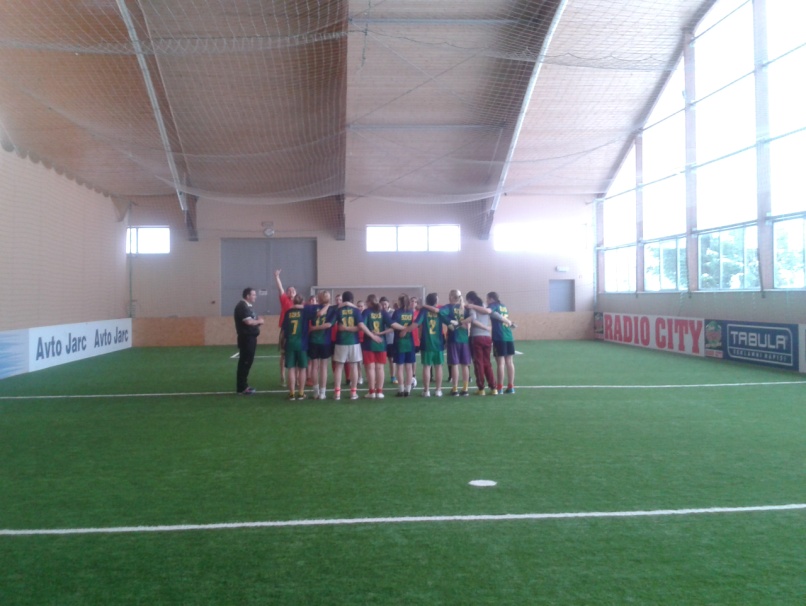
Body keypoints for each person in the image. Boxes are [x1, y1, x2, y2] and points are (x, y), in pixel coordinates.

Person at [332, 291, 381, 400]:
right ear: (352, 300)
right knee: (354, 366)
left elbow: (330, 323)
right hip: (354, 341)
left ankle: (337, 393)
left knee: (339, 367)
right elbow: (361, 326)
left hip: (341, 341)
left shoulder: (338, 310)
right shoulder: (356, 310)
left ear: (343, 299)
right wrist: (372, 336)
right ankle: (353, 393)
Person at [415, 292, 456, 397]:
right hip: (438, 343)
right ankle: (438, 390)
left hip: (426, 342)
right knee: (438, 367)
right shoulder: (439, 312)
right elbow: (450, 324)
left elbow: (417, 323)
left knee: (426, 367)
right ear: (436, 301)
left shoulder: (424, 311)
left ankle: (426, 391)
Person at [282, 293, 322, 400]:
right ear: (303, 302)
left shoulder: (288, 312)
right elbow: (318, 313)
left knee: (291, 369)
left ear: (293, 301)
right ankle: (301, 393)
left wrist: (282, 344)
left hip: (290, 343)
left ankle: (291, 394)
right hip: (302, 344)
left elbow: (284, 330)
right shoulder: (305, 311)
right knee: (302, 369)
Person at [361, 294, 397, 399]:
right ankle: (380, 392)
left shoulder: (366, 312)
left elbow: (362, 326)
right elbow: (392, 326)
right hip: (381, 343)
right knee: (380, 368)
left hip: (369, 344)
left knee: (370, 368)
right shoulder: (383, 312)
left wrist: (372, 335)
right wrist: (381, 333)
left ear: (369, 302)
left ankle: (371, 392)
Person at [440, 289, 472, 396]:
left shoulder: (449, 307)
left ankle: (455, 389)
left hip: (454, 339)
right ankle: (465, 389)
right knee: (465, 365)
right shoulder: (465, 308)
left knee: (454, 364)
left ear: (451, 297)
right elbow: (471, 318)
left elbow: (440, 313)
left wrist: (449, 321)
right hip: (464, 339)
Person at [233, 287, 264, 395]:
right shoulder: (242, 306)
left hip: (250, 338)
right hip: (246, 339)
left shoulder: (247, 307)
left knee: (247, 362)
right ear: (247, 296)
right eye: (253, 295)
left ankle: (243, 385)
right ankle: (242, 387)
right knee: (245, 362)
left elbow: (252, 321)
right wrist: (259, 321)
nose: (255, 296)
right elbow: (249, 322)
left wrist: (257, 321)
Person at [466, 290, 496, 395]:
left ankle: (481, 388)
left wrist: (485, 328)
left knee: (479, 363)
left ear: (469, 300)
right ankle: (493, 388)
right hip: (487, 337)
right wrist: (488, 328)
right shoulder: (485, 306)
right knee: (487, 362)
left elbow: (473, 320)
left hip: (477, 337)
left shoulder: (472, 307)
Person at [308, 290, 336, 400]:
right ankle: (322, 393)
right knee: (324, 367)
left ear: (319, 298)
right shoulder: (332, 309)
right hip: (325, 341)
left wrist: (313, 328)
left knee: (314, 366)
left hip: (313, 340)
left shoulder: (312, 308)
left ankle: (315, 392)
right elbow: (328, 324)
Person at [486, 291, 516, 394]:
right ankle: (511, 386)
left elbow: (488, 311)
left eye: (487, 299)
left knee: (500, 363)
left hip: (499, 336)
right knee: (510, 362)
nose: (487, 301)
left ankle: (499, 387)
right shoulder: (503, 306)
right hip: (509, 336)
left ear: (491, 299)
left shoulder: (493, 305)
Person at [392, 293, 417, 397]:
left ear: (400, 301)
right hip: (409, 342)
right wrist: (407, 329)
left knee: (400, 367)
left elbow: (392, 324)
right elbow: (415, 325)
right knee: (409, 367)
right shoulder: (412, 312)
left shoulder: (397, 312)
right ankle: (408, 389)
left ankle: (401, 390)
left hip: (399, 342)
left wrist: (403, 329)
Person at [274, 269, 296, 387]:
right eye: (289, 290)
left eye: (293, 290)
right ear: (286, 293)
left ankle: (296, 377)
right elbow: (280, 288)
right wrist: (277, 277)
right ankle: (282, 376)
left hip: (296, 332)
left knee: (295, 354)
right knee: (283, 355)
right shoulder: (284, 300)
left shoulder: (299, 303)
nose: (291, 291)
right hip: (285, 331)